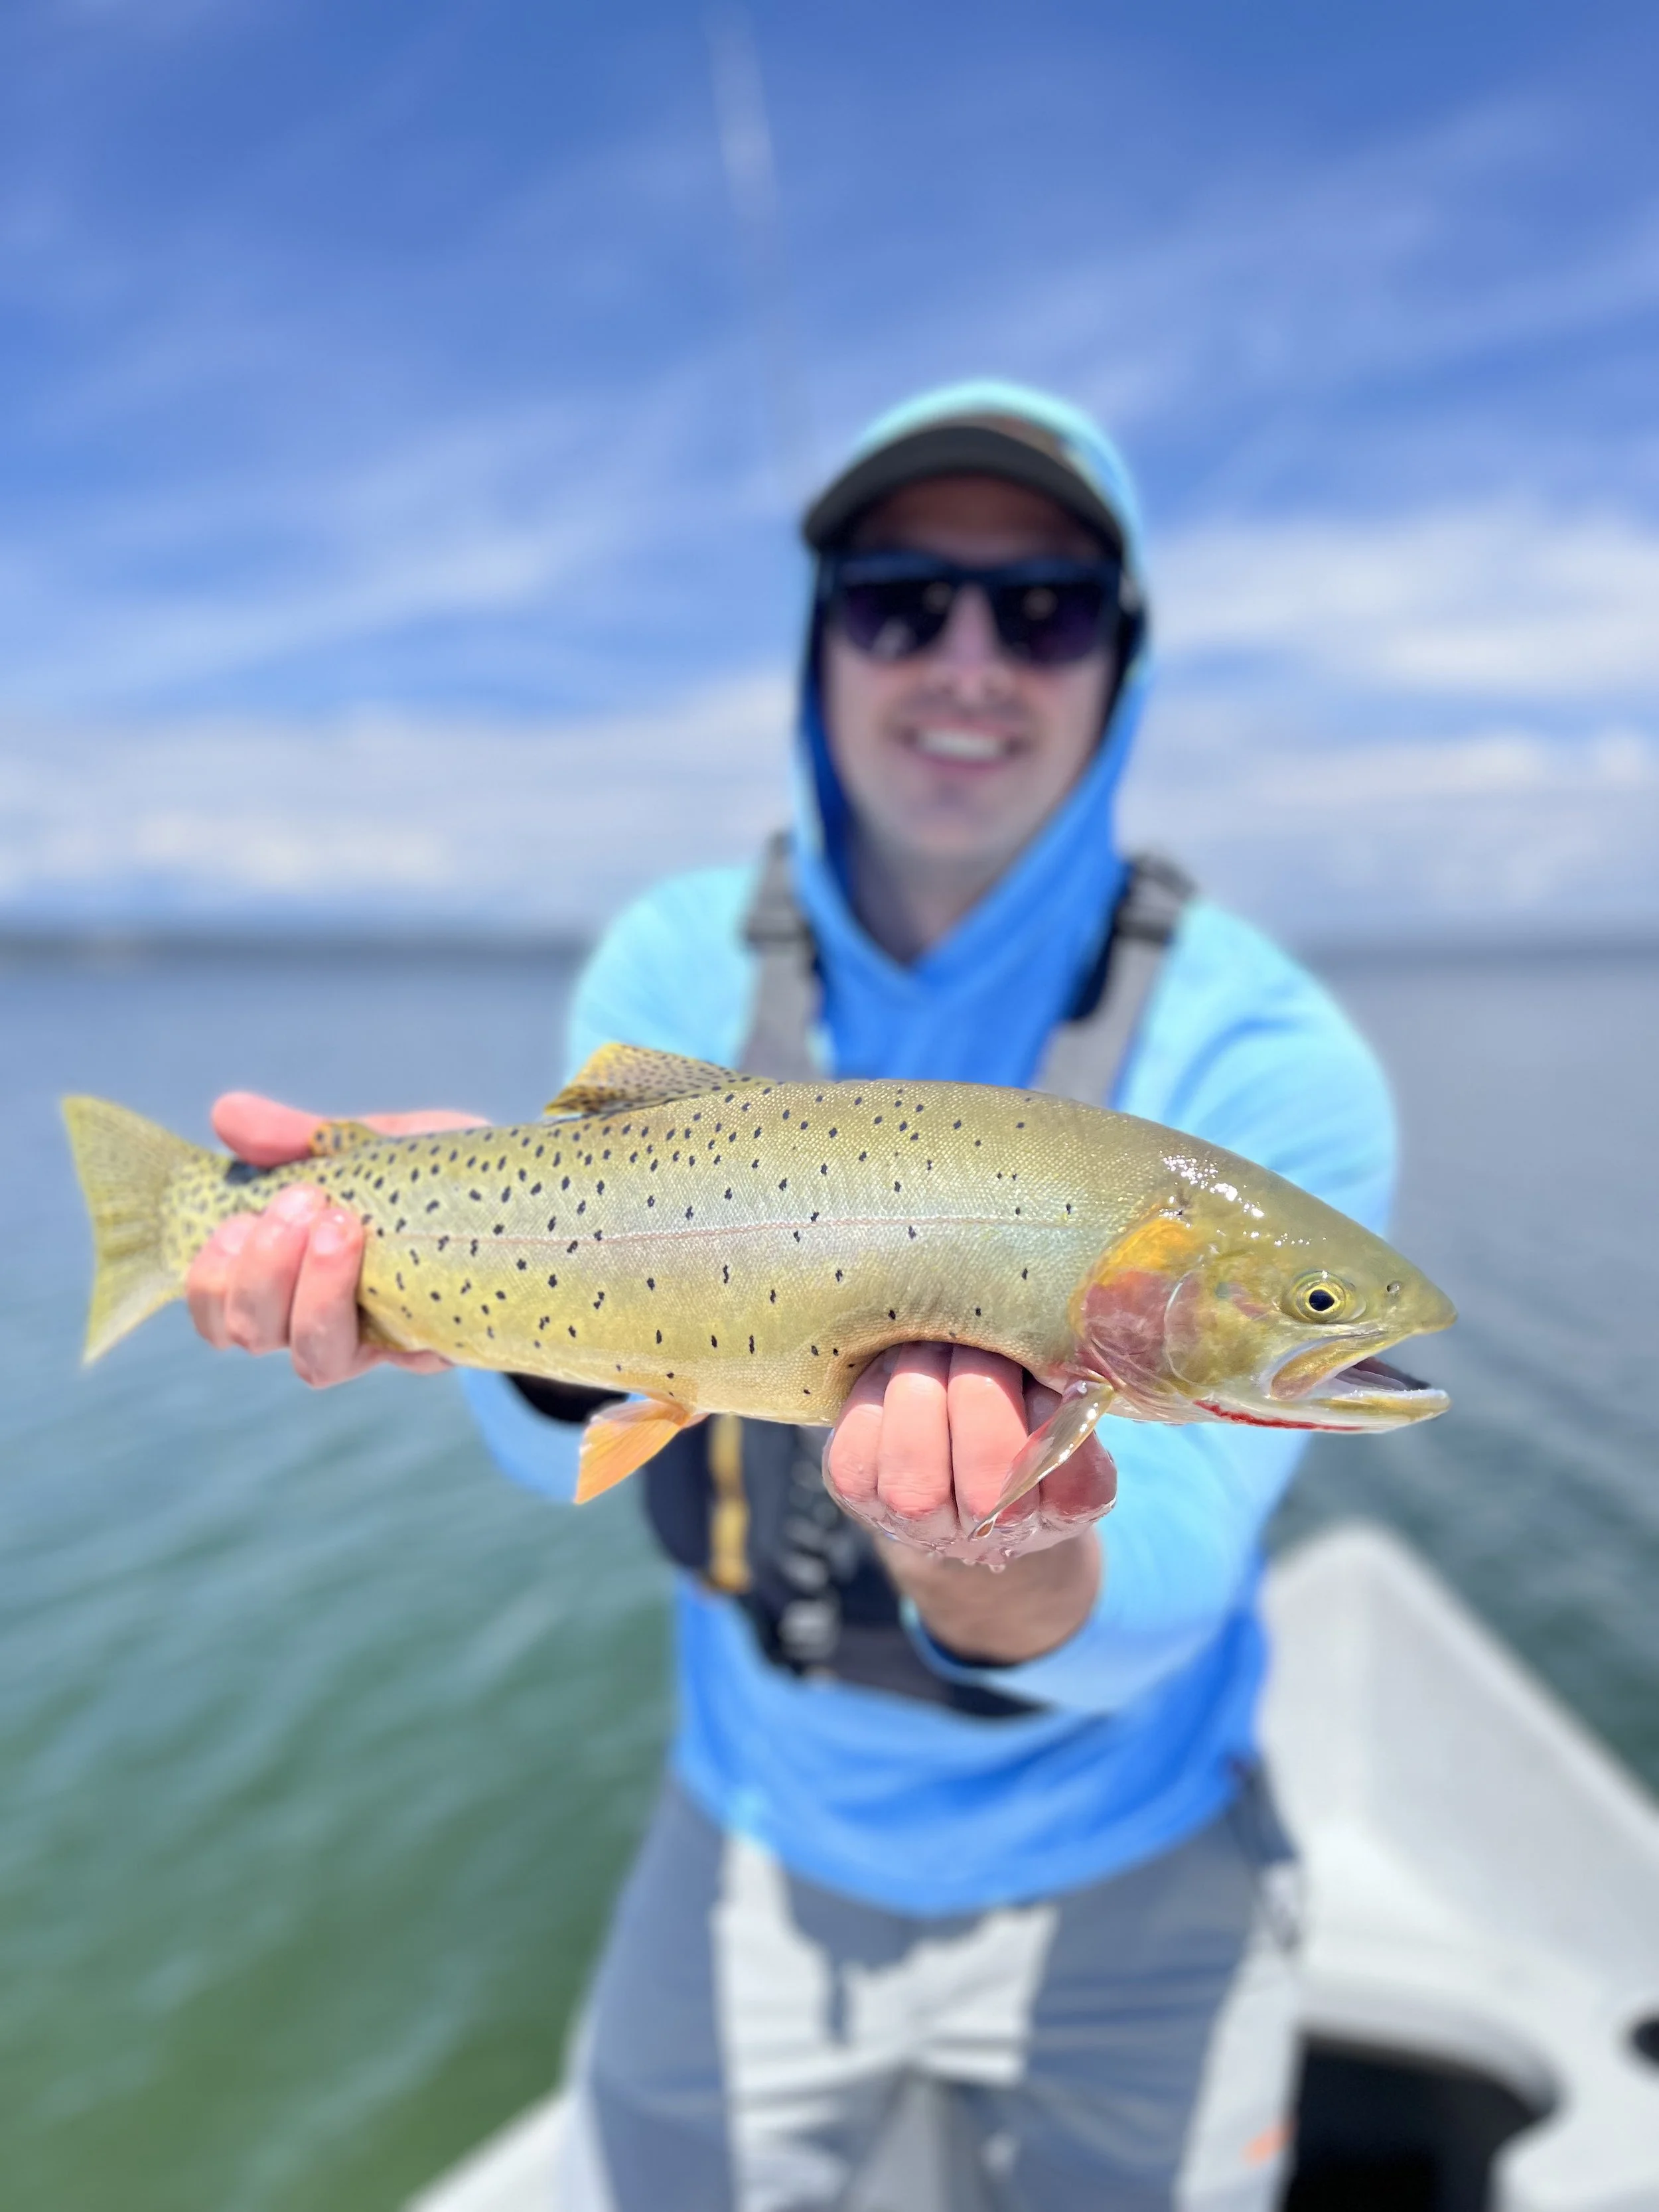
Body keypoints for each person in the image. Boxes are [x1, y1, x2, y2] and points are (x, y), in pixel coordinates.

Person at [186, 382, 1394, 2211]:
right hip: (749, 1836)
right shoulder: (673, 955)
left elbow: (1167, 1586)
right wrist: (430, 1285)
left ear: (1120, 657)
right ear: (816, 643)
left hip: (1137, 1863)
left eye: (1042, 605)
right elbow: (572, 1457)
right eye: (899, 599)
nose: (966, 660)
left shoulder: (1269, 1059)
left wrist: (991, 1547)